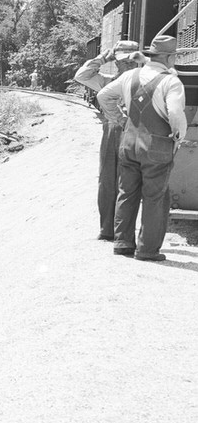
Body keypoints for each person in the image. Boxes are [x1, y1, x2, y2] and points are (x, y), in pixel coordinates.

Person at [96, 34, 189, 261]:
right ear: (168, 57)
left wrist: (119, 119)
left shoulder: (130, 75)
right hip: (156, 146)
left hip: (128, 143)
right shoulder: (171, 81)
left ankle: (123, 243)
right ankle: (147, 250)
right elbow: (175, 113)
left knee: (126, 192)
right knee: (155, 197)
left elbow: (103, 95)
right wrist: (178, 137)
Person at [73, 40, 142, 239]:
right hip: (112, 131)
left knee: (130, 182)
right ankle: (107, 229)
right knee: (107, 181)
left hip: (135, 131)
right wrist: (104, 57)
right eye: (122, 61)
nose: (126, 65)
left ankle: (125, 230)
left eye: (130, 60)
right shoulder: (107, 81)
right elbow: (81, 76)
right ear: (116, 62)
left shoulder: (144, 80)